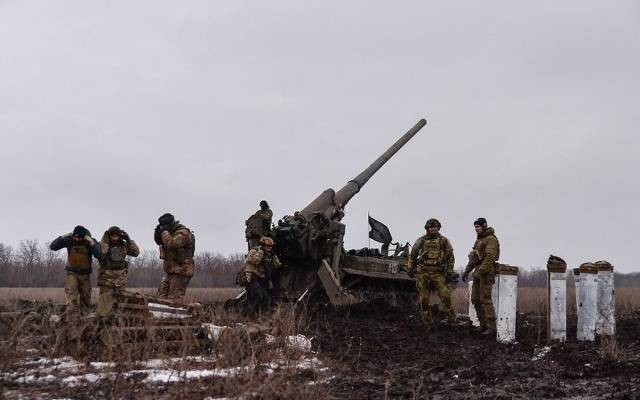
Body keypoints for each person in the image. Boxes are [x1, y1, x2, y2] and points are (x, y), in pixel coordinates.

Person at [407, 218, 456, 328]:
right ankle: (428, 322)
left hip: (438, 273)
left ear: (438, 228)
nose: (433, 229)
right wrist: (410, 268)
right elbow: (413, 255)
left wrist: (449, 271)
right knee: (424, 299)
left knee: (445, 296)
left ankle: (451, 319)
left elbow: (450, 257)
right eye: (431, 227)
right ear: (427, 228)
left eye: (435, 227)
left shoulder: (444, 241)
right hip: (424, 272)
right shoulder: (421, 240)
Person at [49, 225, 101, 321]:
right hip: (72, 273)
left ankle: (85, 318)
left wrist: (91, 242)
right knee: (71, 295)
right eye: (75, 237)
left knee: (86, 297)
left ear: (84, 237)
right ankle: (71, 319)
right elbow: (53, 247)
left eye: (79, 238)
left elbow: (98, 255)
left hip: (85, 275)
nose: (77, 239)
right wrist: (62, 237)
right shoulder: (69, 240)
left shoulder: (89, 242)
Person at [462, 217, 500, 336]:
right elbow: (474, 258)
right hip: (478, 272)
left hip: (486, 273)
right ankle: (483, 326)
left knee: (485, 300)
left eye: (478, 227)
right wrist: (467, 271)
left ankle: (492, 328)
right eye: (475, 227)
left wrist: (481, 271)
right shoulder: (479, 240)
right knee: (475, 300)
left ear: (483, 226)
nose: (476, 229)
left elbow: (490, 258)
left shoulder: (490, 239)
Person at [96, 226, 140, 315]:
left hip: (120, 278)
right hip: (106, 278)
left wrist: (128, 240)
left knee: (121, 301)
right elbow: (101, 253)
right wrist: (104, 239)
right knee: (104, 303)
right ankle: (103, 321)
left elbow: (136, 252)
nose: (115, 238)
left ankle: (119, 319)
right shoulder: (103, 244)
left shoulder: (123, 245)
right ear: (109, 236)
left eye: (117, 236)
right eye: (113, 236)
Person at [154, 213, 196, 302]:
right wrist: (158, 232)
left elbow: (171, 243)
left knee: (174, 300)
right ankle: (162, 315)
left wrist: (164, 231)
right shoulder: (170, 233)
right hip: (171, 271)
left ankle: (176, 316)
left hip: (182, 271)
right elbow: (159, 242)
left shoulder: (184, 233)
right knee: (161, 298)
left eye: (165, 226)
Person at [243, 236, 281, 315]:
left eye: (271, 246)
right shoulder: (254, 251)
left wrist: (274, 255)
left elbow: (276, 265)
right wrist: (261, 252)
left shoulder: (269, 254)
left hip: (263, 278)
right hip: (252, 278)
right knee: (258, 295)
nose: (269, 248)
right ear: (263, 245)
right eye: (267, 246)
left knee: (266, 297)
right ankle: (250, 313)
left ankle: (260, 315)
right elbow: (255, 261)